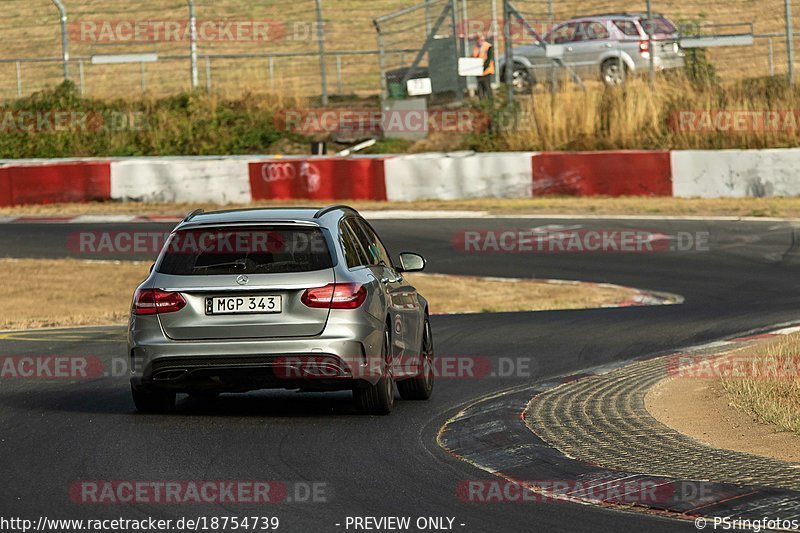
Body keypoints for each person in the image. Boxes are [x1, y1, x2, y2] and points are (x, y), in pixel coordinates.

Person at [472, 34, 495, 100]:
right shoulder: (476, 47)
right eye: (479, 40)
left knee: (487, 88)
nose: (480, 41)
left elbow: (489, 59)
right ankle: (482, 103)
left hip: (486, 71)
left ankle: (490, 103)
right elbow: (474, 58)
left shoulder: (488, 47)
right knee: (480, 89)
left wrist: (483, 68)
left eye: (482, 40)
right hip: (478, 72)